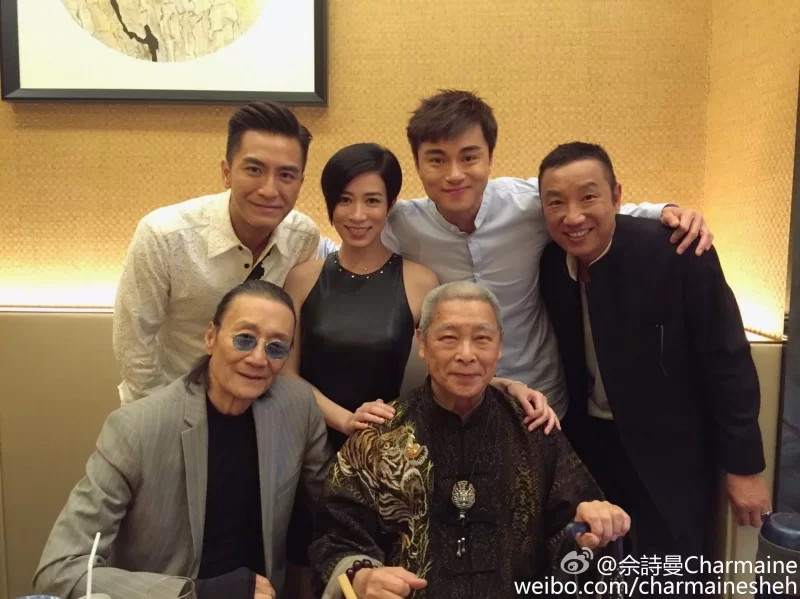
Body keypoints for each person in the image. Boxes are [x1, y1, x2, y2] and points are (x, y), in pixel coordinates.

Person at [282, 143, 558, 597]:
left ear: (390, 205)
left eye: (372, 200)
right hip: (312, 442)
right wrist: (346, 420)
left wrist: (507, 384)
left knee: (389, 566)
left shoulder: (418, 278)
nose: (357, 214)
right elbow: (286, 373)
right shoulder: (302, 277)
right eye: (344, 200)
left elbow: (442, 355)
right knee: (309, 562)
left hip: (393, 454)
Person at [380, 89, 714, 419]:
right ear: (417, 165)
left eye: (469, 157)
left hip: (541, 397)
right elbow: (356, 238)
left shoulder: (527, 204)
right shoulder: (402, 224)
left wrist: (666, 211)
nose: (454, 174)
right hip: (457, 400)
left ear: (490, 158)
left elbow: (595, 211)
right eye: (437, 159)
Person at [311, 281, 632, 599]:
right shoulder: (378, 437)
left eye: (482, 338)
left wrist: (590, 531)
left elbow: (572, 534)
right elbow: (334, 540)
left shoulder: (534, 429)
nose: (466, 354)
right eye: (449, 338)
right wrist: (362, 578)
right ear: (421, 343)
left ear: (500, 345)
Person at [537, 142, 771, 565]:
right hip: (590, 449)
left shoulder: (678, 252)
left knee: (672, 572)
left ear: (616, 196)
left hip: (671, 455)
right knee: (597, 570)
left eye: (588, 197)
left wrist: (744, 467)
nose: (573, 216)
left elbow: (727, 360)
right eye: (556, 203)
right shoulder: (551, 264)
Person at [34, 281, 331, 599]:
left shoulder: (298, 407)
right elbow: (59, 572)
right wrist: (201, 593)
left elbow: (333, 510)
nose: (259, 358)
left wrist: (359, 568)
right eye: (245, 339)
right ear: (210, 337)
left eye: (276, 347)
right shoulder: (136, 429)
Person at [113, 101, 320, 404]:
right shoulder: (165, 235)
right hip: (171, 398)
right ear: (226, 172)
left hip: (258, 404)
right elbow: (133, 343)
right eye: (254, 170)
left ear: (300, 183)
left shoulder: (303, 238)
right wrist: (164, 414)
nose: (269, 190)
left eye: (286, 175)